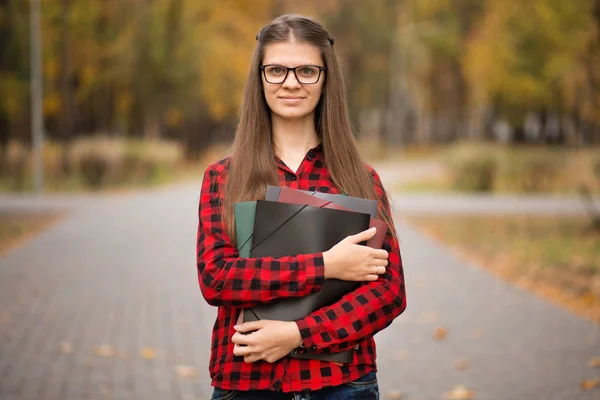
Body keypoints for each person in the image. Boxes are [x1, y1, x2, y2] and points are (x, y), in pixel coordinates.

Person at [196, 14, 406, 400]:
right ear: (259, 78)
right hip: (247, 383)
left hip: (342, 386)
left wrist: (298, 335)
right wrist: (325, 266)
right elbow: (218, 278)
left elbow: (388, 293)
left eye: (307, 70)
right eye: (276, 70)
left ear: (326, 79)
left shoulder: (361, 178)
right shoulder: (223, 178)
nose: (291, 82)